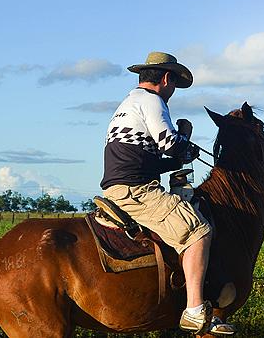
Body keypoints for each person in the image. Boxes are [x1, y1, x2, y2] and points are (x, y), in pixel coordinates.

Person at [100, 51, 234, 335]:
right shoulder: (153, 101)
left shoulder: (128, 103)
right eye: (173, 84)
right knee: (199, 231)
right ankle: (195, 310)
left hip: (122, 183)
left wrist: (177, 157)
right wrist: (189, 147)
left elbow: (148, 157)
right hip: (137, 190)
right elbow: (169, 143)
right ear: (165, 78)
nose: (172, 91)